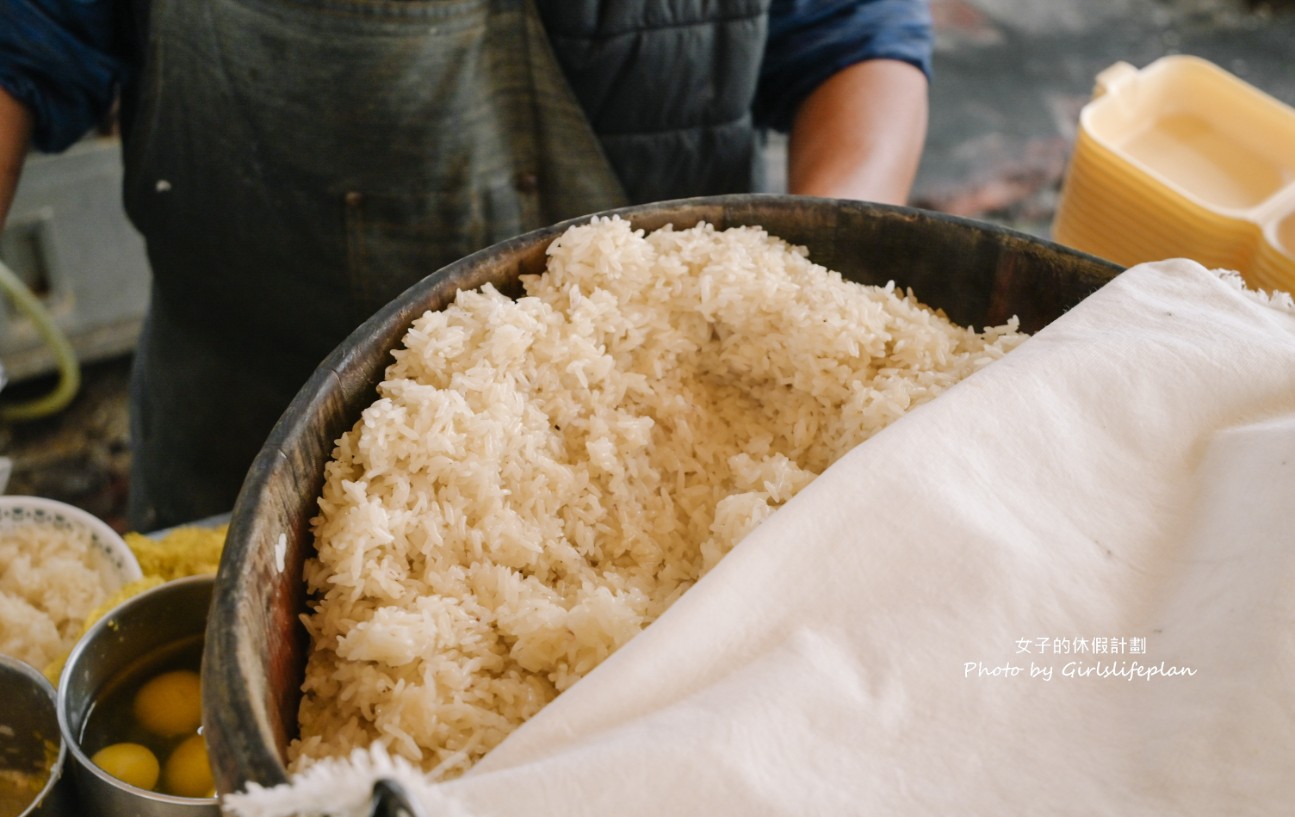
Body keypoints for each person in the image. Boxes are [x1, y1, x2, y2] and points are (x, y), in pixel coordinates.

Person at [0, 0, 932, 532]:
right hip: (252, 443)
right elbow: (21, 43)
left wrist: (815, 283)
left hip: (679, 461)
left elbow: (851, 38)